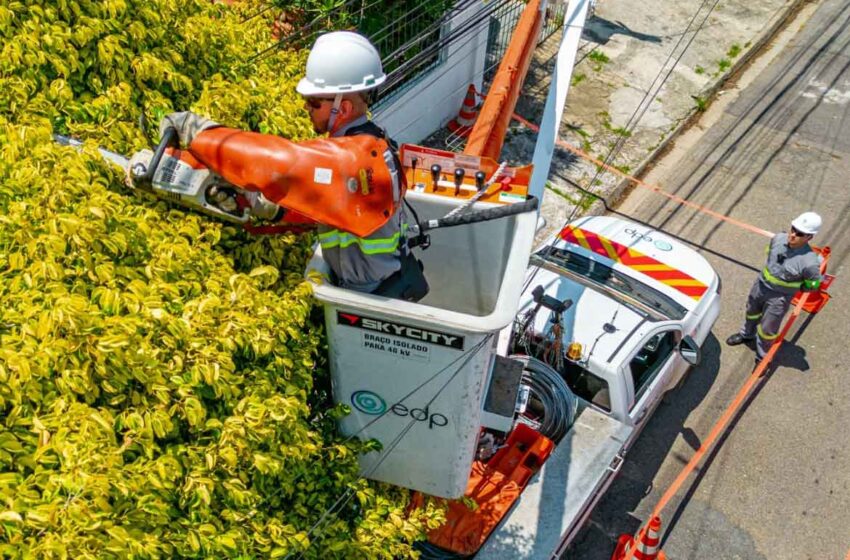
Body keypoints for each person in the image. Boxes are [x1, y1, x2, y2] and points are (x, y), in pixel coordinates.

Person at [157, 31, 428, 301]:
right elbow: (332, 205)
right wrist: (275, 211)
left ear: (342, 109)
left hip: (369, 298)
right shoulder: (371, 142)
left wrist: (199, 133)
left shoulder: (351, 160)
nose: (305, 108)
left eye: (313, 102)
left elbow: (277, 160)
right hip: (383, 279)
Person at [726, 212, 823, 363]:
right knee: (751, 312)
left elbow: (815, 283)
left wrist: (802, 288)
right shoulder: (778, 239)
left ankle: (762, 358)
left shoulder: (809, 262)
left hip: (779, 298)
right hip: (760, 286)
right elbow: (769, 254)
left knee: (768, 330)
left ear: (809, 237)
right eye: (793, 229)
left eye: (800, 233)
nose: (793, 235)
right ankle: (746, 335)